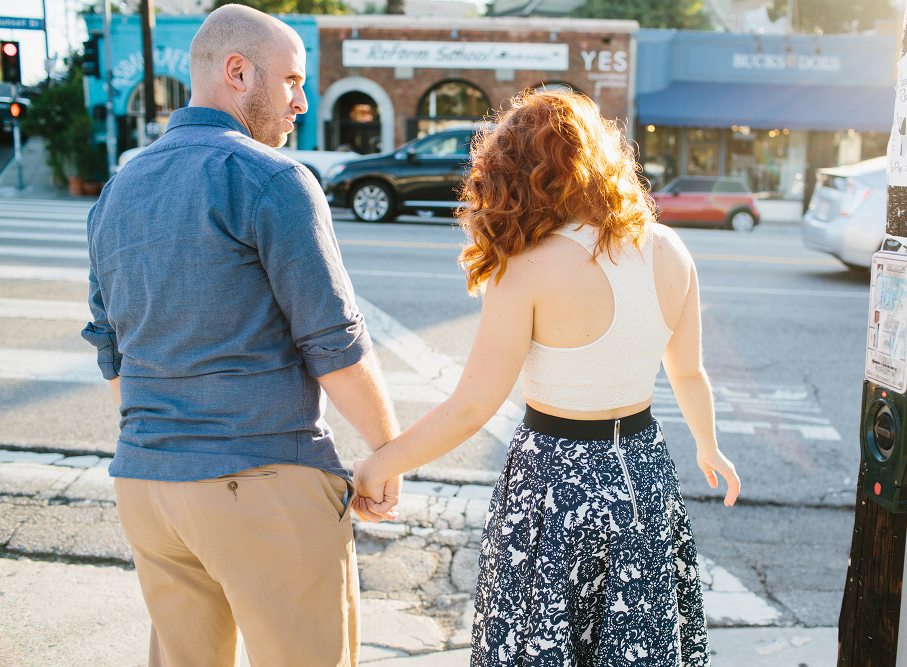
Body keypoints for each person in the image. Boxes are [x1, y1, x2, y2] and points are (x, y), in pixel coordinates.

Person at [353, 90, 740, 665]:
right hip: (644, 477)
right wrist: (709, 447)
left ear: (514, 172)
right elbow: (689, 372)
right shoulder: (670, 249)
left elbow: (471, 407)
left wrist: (381, 463)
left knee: (538, 642)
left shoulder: (527, 267)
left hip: (552, 483)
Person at [81, 6, 399, 666]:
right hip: (261, 481)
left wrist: (170, 438)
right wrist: (388, 454)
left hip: (148, 487)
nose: (302, 103)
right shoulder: (274, 180)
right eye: (291, 81)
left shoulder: (116, 190)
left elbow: (112, 352)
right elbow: (334, 345)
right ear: (237, 72)